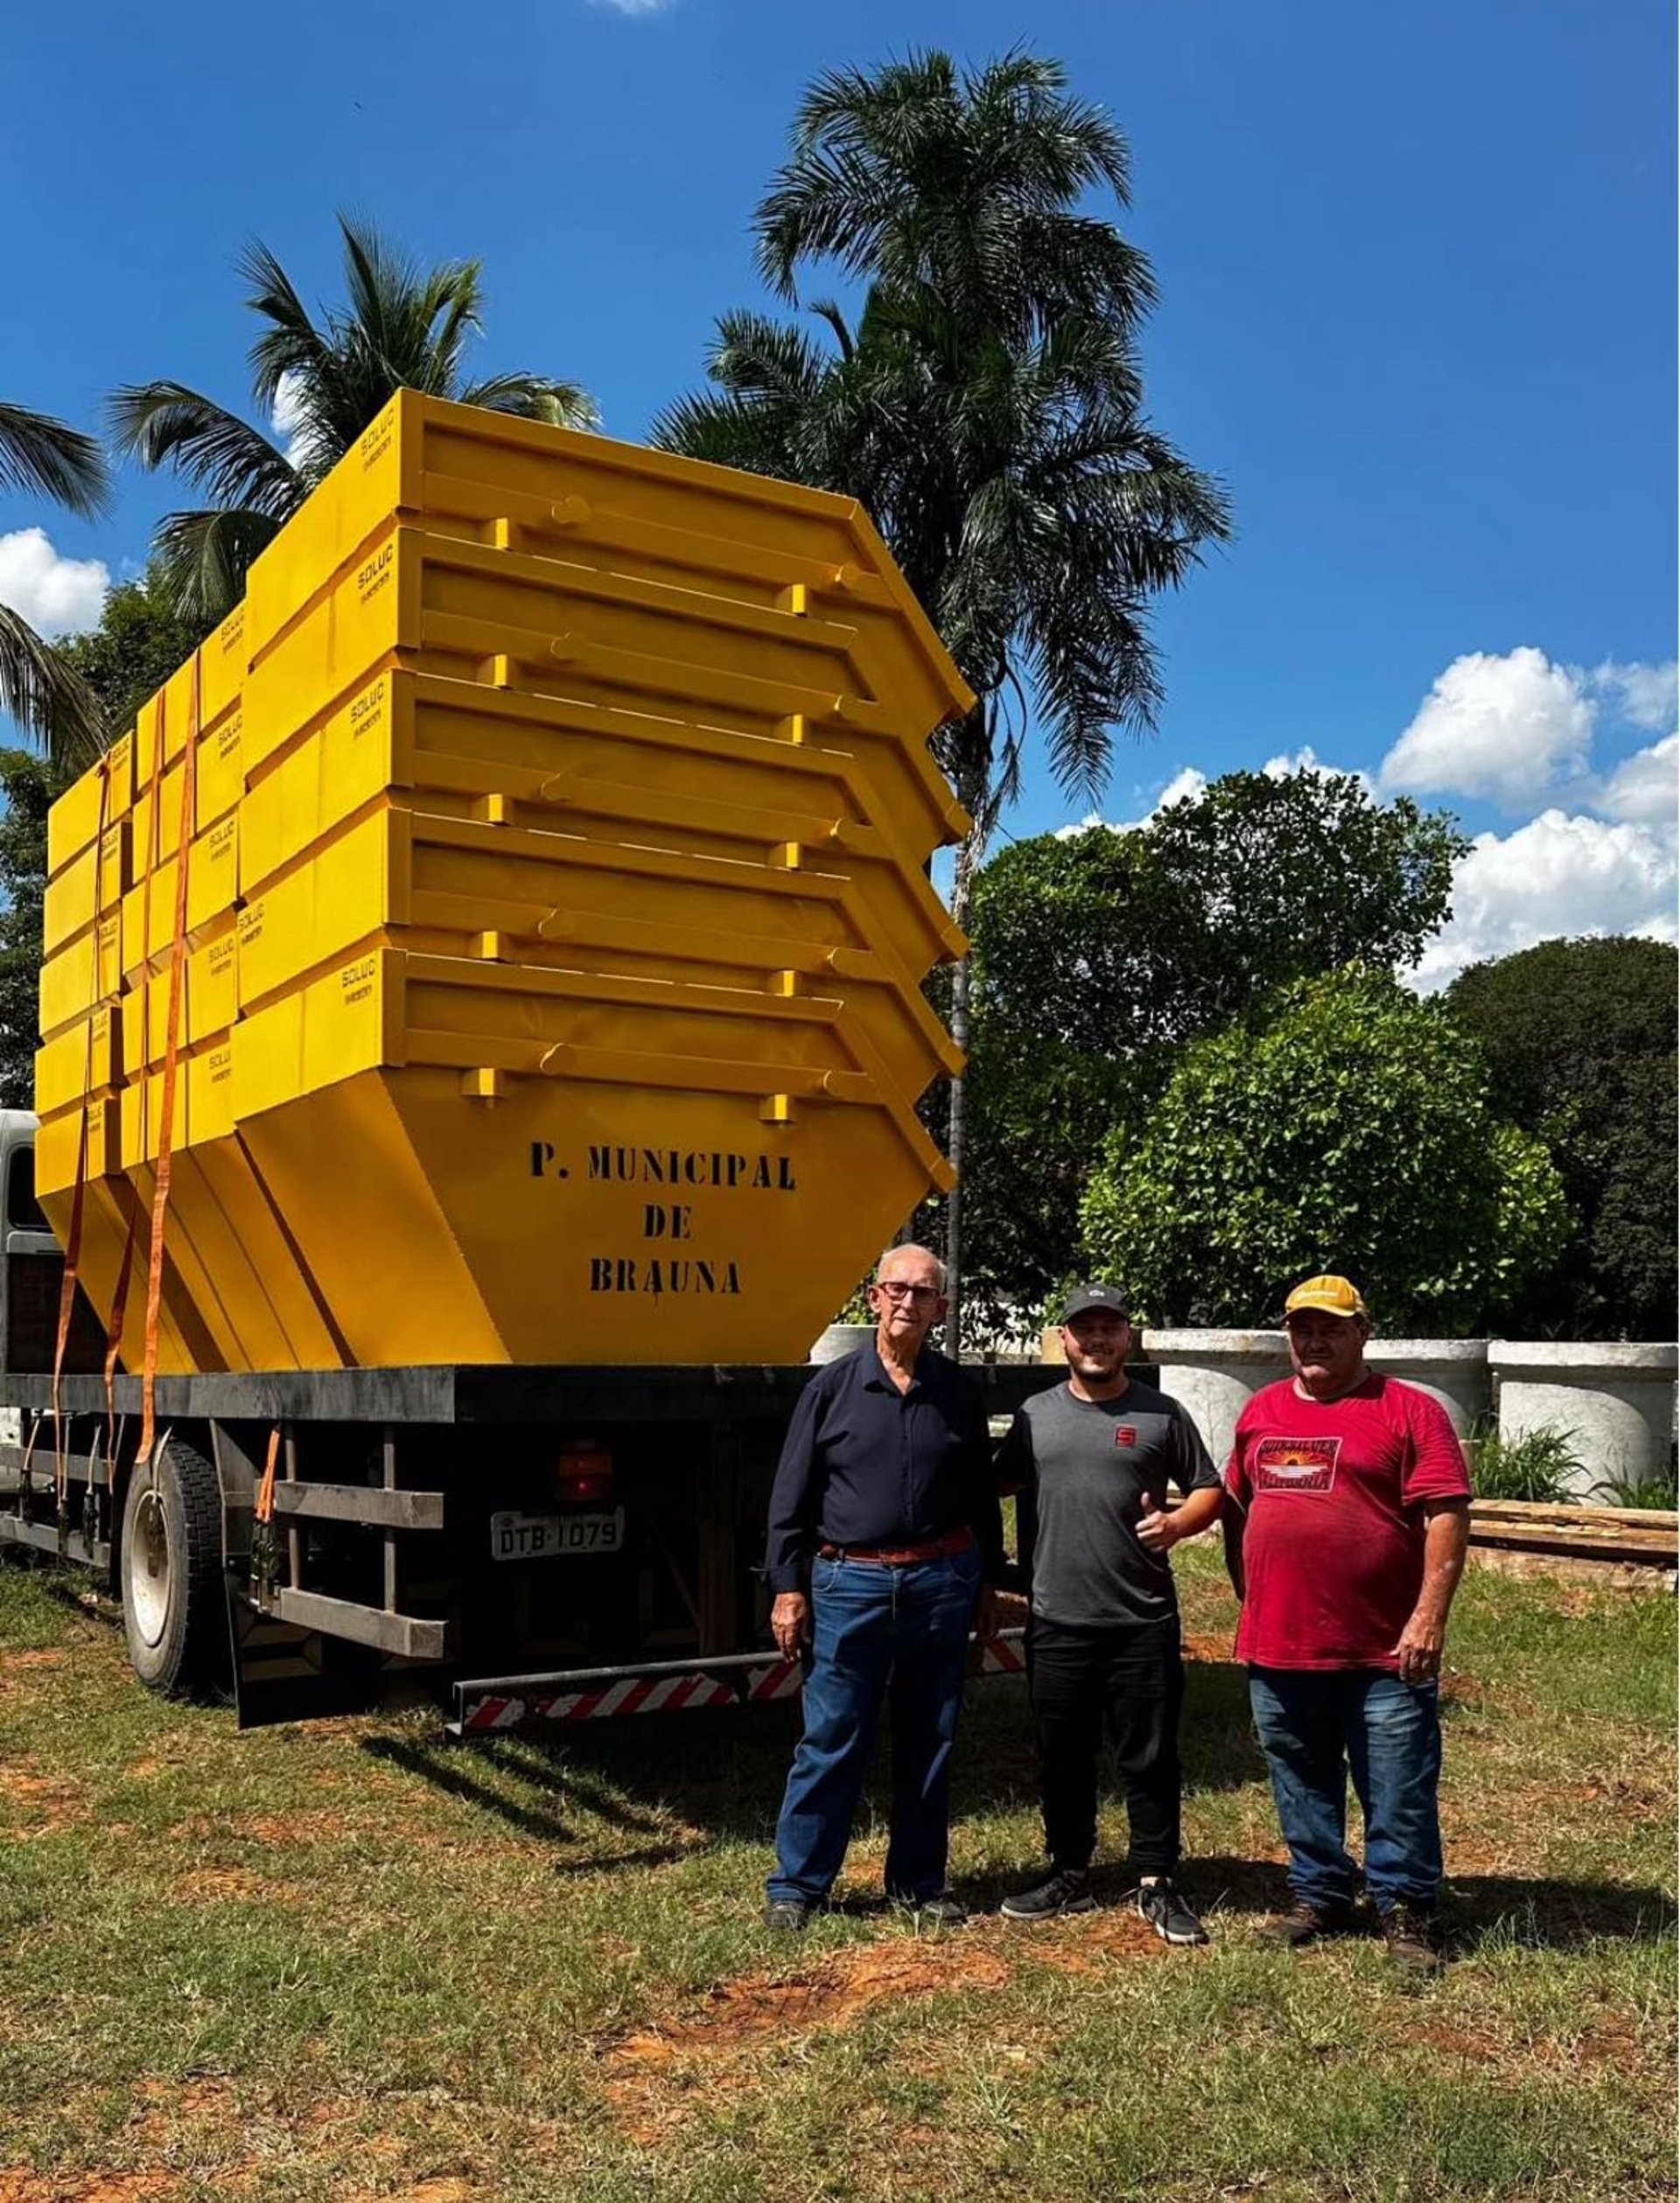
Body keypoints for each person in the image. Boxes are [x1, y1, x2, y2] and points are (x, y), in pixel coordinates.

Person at [1223, 1275, 1472, 1974]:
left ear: (1364, 1330)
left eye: (1331, 1327)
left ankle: (1405, 1911)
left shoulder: (1409, 1411)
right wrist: (1252, 1594)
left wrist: (1427, 1617)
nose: (1315, 1339)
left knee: (1397, 1785)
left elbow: (1447, 1515)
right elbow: (1238, 1504)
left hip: (1384, 1650)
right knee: (1300, 1779)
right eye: (1302, 1328)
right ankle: (1321, 1894)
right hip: (1280, 1644)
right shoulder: (1262, 1410)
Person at [761, 1243, 1001, 1932]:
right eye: (895, 1289)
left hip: (940, 1580)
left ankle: (920, 1883)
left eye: (922, 1293)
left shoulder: (957, 1391)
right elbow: (791, 1496)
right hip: (848, 1582)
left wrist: (989, 1578)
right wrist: (788, 1587)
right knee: (832, 1734)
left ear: (941, 1309)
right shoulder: (831, 1388)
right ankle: (798, 1886)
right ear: (872, 1298)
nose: (907, 1302)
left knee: (932, 1733)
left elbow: (981, 1496)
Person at [996, 1283, 1223, 1945]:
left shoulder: (1161, 1414)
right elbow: (995, 1483)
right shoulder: (1035, 1415)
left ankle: (1156, 1880)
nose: (1096, 1340)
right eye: (1083, 1329)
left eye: (1109, 1328)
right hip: (1058, 1618)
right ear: (1063, 1338)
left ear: (1129, 1338)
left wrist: (1178, 1524)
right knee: (1061, 1754)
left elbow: (1209, 1487)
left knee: (1149, 1757)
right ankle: (1069, 1870)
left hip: (1141, 1619)